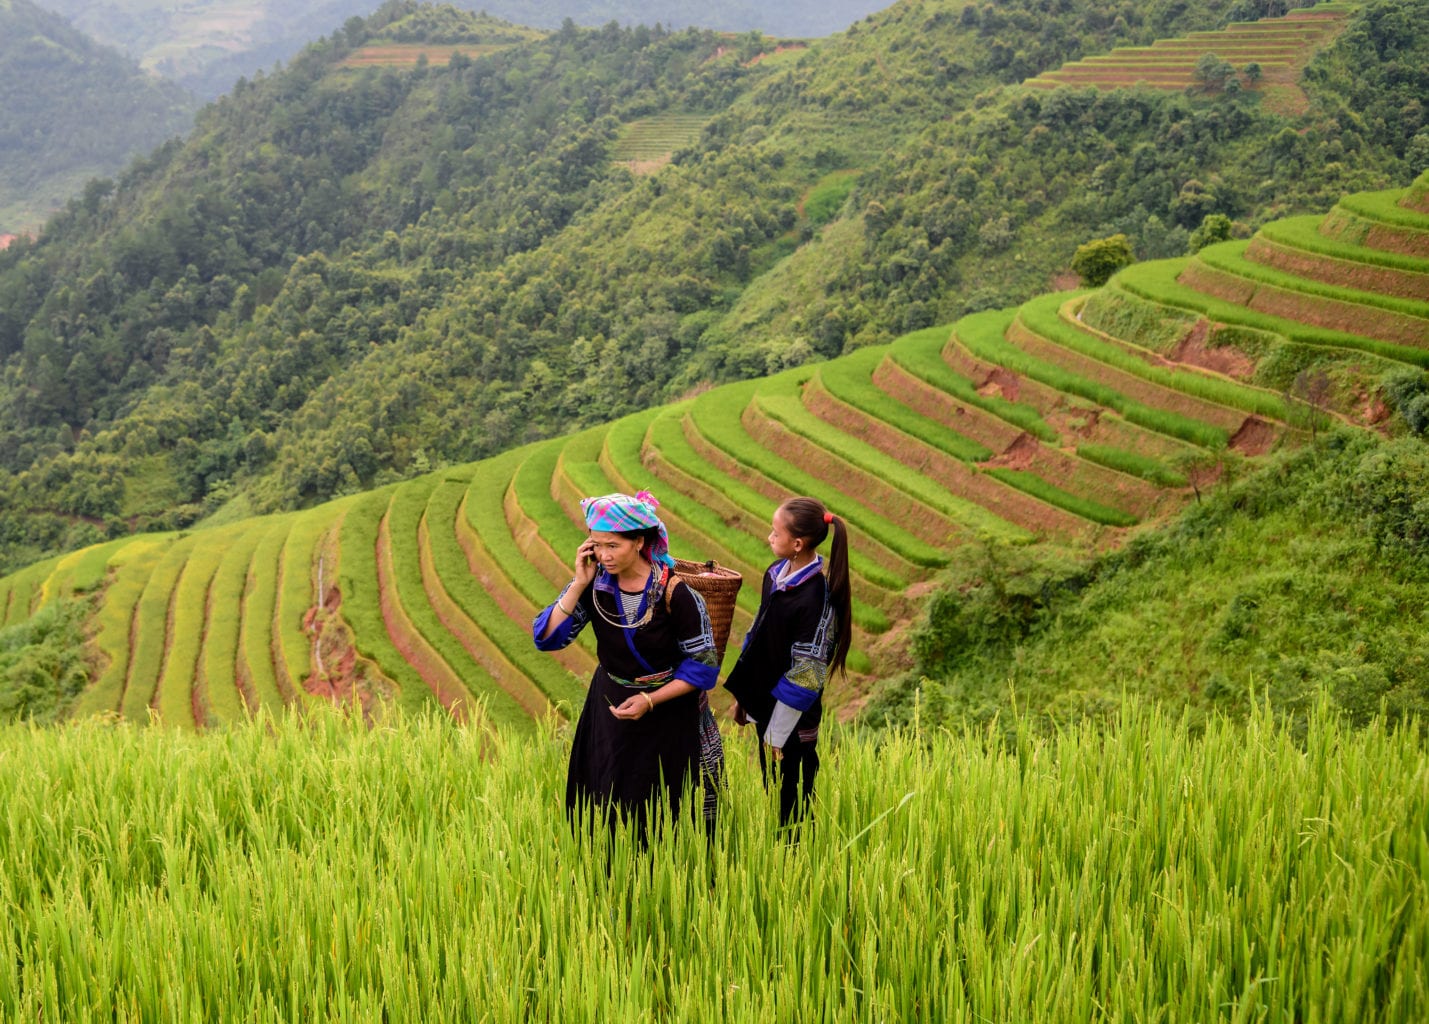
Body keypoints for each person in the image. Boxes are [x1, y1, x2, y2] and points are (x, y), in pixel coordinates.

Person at [533, 490, 723, 839]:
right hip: (611, 707)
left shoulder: (676, 593)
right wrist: (577, 584)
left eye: (612, 546)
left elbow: (703, 668)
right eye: (596, 545)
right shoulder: (595, 588)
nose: (603, 555)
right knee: (607, 802)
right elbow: (547, 638)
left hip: (668, 712)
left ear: (639, 541)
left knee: (665, 805)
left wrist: (650, 700)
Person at [724, 496, 851, 828]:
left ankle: (798, 863)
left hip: (792, 721)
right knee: (772, 789)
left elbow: (806, 674)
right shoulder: (774, 574)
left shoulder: (816, 599)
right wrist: (745, 699)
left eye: (775, 533)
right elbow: (759, 633)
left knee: (792, 804)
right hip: (765, 703)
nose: (769, 537)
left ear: (797, 543)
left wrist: (776, 735)